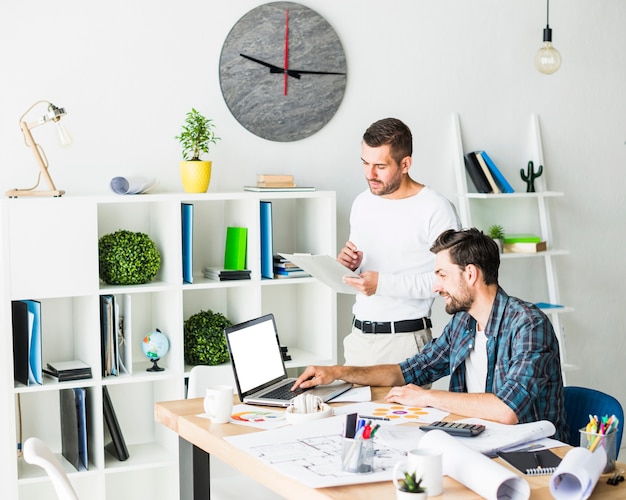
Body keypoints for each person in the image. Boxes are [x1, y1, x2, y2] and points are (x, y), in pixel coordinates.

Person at [294, 228, 568, 441]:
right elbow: (408, 371)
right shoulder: (464, 322)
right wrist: (339, 372)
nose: (436, 286)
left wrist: (427, 397)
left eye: (442, 275)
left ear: (470, 274)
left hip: (529, 455)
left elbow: (507, 411)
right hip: (477, 442)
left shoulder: (529, 325)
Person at [339, 117, 460, 366]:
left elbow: (448, 281)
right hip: (358, 340)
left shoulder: (436, 208)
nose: (369, 174)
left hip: (405, 343)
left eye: (380, 166)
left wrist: (382, 284)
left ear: (405, 164)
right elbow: (365, 273)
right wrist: (350, 265)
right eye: (365, 163)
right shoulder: (363, 202)